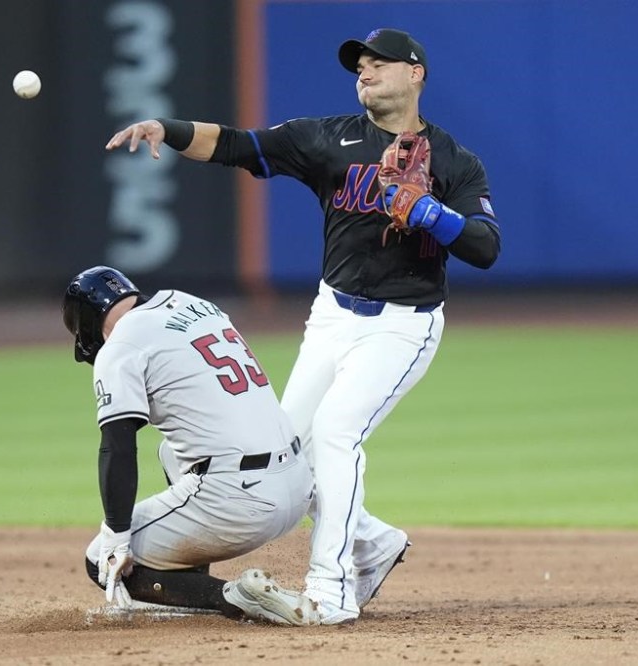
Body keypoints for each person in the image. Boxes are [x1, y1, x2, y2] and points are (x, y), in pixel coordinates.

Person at [106, 28, 500, 625]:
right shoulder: (329, 139)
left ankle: (332, 591)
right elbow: (240, 145)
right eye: (359, 65)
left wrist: (428, 212)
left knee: (338, 432)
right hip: (332, 316)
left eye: (379, 63)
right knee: (283, 456)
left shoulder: (452, 161)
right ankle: (372, 543)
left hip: (402, 325)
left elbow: (486, 246)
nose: (364, 72)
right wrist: (170, 129)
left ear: (416, 73)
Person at [62, 265, 321, 625]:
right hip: (299, 484)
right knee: (170, 452)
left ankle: (231, 596)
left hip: (242, 501)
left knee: (99, 561)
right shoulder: (192, 303)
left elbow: (118, 447)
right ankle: (196, 576)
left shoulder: (121, 344)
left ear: (87, 323)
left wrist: (117, 535)